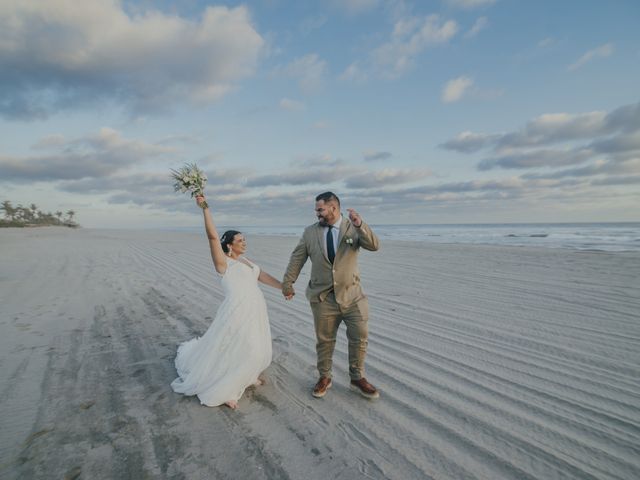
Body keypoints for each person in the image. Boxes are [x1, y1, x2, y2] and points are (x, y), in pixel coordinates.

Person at [170, 194, 283, 409]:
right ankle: (227, 389)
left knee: (256, 346)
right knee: (240, 347)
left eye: (244, 239)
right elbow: (212, 237)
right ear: (229, 245)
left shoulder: (246, 261)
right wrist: (205, 208)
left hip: (256, 309)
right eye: (240, 240)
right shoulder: (224, 264)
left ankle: (247, 376)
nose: (244, 242)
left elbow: (261, 275)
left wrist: (283, 287)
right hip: (237, 310)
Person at [282, 192, 380, 399]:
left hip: (353, 296)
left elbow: (374, 245)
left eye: (320, 209)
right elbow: (297, 258)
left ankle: (357, 377)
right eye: (317, 210)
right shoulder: (310, 232)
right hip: (323, 297)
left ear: (334, 208)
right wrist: (288, 283)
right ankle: (324, 377)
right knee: (324, 341)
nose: (317, 213)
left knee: (359, 337)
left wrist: (360, 223)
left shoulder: (352, 227)